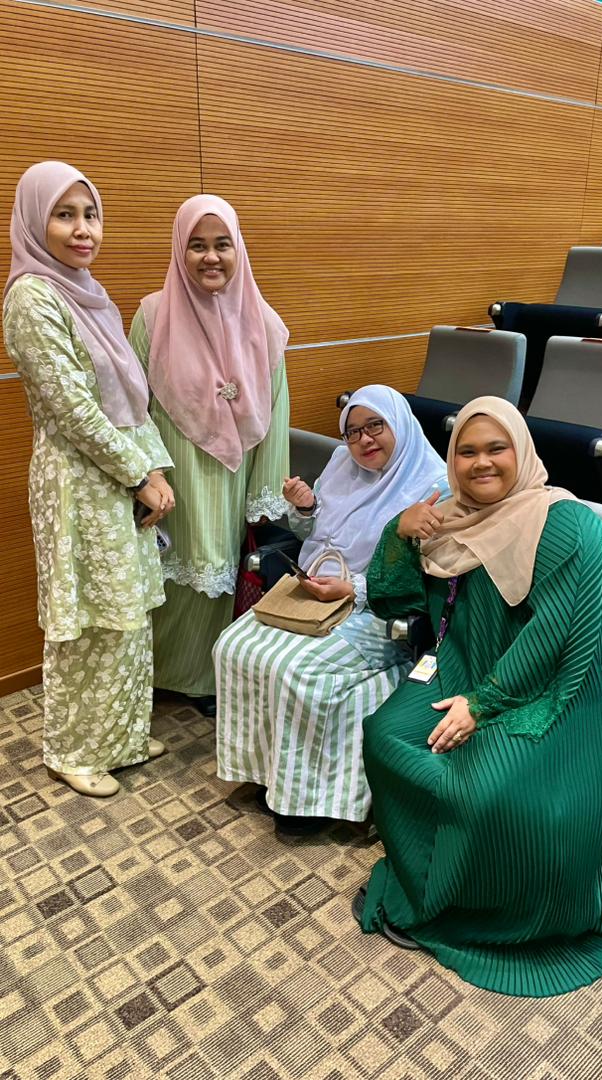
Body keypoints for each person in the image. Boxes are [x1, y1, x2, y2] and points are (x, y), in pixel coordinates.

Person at [354, 396, 602, 997]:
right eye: (466, 451)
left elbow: (554, 635)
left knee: (490, 793)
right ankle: (426, 883)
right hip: (460, 666)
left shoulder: (570, 525)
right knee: (387, 737)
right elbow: (393, 600)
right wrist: (400, 533)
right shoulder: (449, 518)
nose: (481, 463)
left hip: (552, 687)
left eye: (497, 448)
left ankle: (491, 912)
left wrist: (482, 705)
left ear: (523, 451)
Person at [3, 161, 175, 798]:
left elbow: (131, 397)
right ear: (34, 221)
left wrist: (154, 469)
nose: (83, 230)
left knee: (126, 615)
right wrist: (138, 475)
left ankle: (121, 737)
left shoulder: (88, 291)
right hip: (78, 481)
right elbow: (73, 410)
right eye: (65, 214)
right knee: (86, 620)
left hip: (121, 474)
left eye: (91, 214)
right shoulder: (32, 297)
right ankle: (72, 750)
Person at [213, 385, 450, 834]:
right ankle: (266, 773)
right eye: (352, 431)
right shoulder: (343, 464)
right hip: (317, 591)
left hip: (378, 610)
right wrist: (305, 508)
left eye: (375, 425)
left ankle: (306, 801)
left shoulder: (433, 486)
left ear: (399, 423)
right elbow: (313, 535)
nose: (364, 440)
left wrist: (353, 589)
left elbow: (425, 581)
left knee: (299, 670)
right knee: (233, 646)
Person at [129, 195, 289, 714]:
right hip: (171, 472)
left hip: (231, 472)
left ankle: (204, 678)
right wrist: (144, 474)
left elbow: (276, 409)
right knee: (169, 569)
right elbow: (134, 405)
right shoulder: (153, 315)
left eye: (223, 244)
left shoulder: (264, 322)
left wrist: (265, 489)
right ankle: (158, 672)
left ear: (239, 249)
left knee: (218, 572)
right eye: (197, 245)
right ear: (180, 250)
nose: (211, 257)